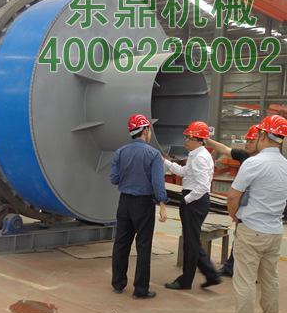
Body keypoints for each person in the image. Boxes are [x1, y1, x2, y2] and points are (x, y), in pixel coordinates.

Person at [217, 115, 287, 313]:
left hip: (252, 230)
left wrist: (234, 216)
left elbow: (232, 197)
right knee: (270, 279)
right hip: (275, 231)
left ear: (263, 135)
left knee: (245, 280)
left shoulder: (254, 163)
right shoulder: (285, 165)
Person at [110, 114, 168, 299]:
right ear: (145, 130)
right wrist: (162, 204)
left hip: (124, 203)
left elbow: (114, 179)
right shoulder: (153, 154)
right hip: (143, 204)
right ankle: (140, 289)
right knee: (143, 246)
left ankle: (118, 284)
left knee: (121, 243)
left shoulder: (120, 152)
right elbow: (158, 183)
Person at [163, 121, 221, 290]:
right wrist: (165, 161)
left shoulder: (200, 158)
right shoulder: (196, 155)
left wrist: (187, 199)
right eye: (186, 137)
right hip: (195, 200)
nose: (186, 140)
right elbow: (183, 172)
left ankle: (185, 281)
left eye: (190, 138)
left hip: (195, 201)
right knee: (192, 240)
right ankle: (211, 275)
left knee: (190, 243)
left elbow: (203, 186)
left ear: (200, 141)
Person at [206, 124, 259, 277]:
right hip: (244, 206)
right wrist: (207, 139)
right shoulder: (244, 156)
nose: (247, 144)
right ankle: (230, 267)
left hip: (256, 208)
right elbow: (224, 149)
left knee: (252, 243)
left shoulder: (263, 162)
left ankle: (253, 272)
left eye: (251, 141)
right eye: (246, 140)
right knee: (240, 237)